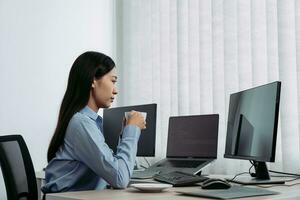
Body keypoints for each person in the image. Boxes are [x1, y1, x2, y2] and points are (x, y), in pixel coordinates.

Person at [42, 51, 146, 193]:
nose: (115, 91)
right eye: (113, 81)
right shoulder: (81, 124)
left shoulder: (88, 122)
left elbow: (111, 166)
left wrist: (124, 133)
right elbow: (120, 178)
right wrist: (132, 130)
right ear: (93, 80)